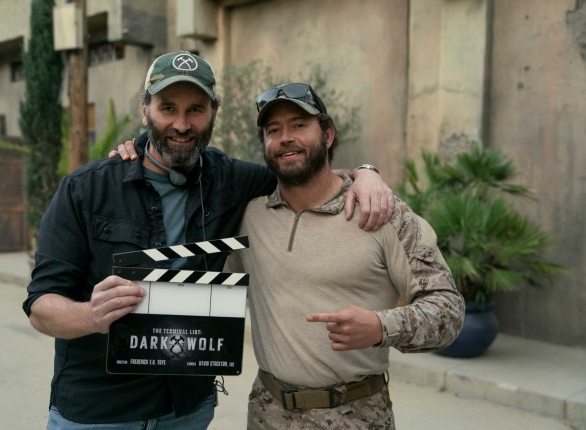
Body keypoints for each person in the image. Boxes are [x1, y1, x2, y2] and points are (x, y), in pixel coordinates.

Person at [24, 51, 393, 429]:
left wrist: (365, 174)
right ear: (145, 111)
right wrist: (91, 315)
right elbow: (40, 306)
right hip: (98, 412)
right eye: (168, 108)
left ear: (214, 112)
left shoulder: (232, 180)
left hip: (188, 409)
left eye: (196, 110)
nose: (182, 124)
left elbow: (308, 174)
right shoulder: (86, 189)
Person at [235, 83, 465, 429]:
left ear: (328, 134)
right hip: (266, 414)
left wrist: (380, 327)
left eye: (299, 125)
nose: (286, 138)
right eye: (273, 130)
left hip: (356, 416)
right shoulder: (250, 215)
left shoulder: (383, 213)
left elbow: (448, 310)